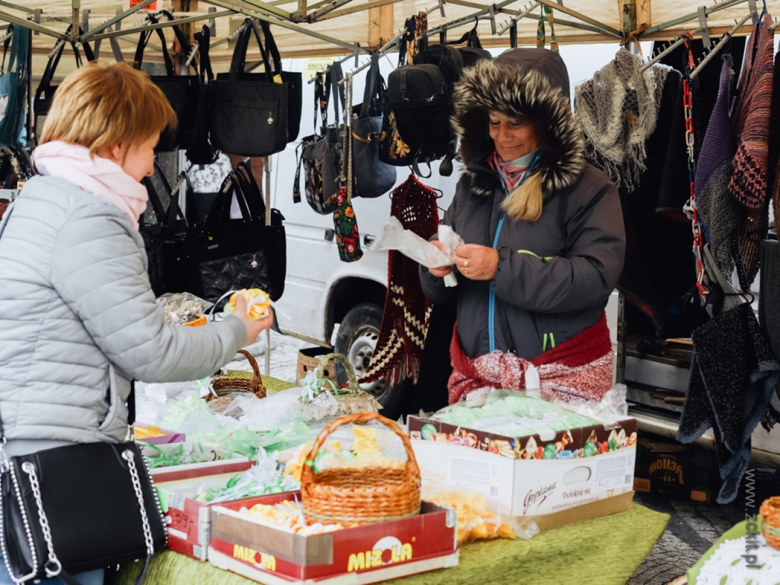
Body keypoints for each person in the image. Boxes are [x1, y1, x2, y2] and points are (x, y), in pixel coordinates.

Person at [0, 62, 273, 585]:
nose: (151, 167)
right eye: (148, 147)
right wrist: (236, 328)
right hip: (55, 464)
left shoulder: (38, 197)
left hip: (23, 447)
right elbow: (150, 352)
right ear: (113, 144)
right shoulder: (90, 217)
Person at [421, 48, 626, 405]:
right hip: (477, 379)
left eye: (515, 122)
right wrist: (436, 267)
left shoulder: (589, 189)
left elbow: (594, 278)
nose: (503, 136)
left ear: (547, 122)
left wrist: (501, 268)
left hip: (557, 378)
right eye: (494, 121)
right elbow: (442, 290)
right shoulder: (473, 186)